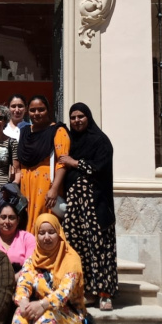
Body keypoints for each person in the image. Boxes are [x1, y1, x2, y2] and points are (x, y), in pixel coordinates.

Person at [4, 213, 85, 324]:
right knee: (20, 314)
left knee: (45, 317)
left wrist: (42, 305)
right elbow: (23, 281)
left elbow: (64, 292)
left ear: (59, 233)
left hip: (70, 319)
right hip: (40, 310)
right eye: (41, 233)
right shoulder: (34, 259)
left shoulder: (71, 260)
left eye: (51, 232)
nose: (46, 237)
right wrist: (24, 301)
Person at [60, 102, 119, 310]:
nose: (76, 121)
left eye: (80, 117)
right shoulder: (71, 142)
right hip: (75, 208)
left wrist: (74, 163)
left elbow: (99, 168)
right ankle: (86, 292)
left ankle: (105, 294)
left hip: (96, 206)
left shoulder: (100, 141)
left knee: (99, 247)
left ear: (89, 117)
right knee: (78, 248)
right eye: (73, 117)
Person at [17, 95, 70, 233]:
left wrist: (54, 189)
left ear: (48, 110)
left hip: (45, 189)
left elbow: (62, 163)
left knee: (44, 226)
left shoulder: (57, 131)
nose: (37, 113)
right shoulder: (24, 132)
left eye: (41, 109)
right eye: (33, 110)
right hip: (25, 189)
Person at [0, 201, 36, 274]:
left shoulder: (27, 238)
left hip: (21, 281)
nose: (7, 221)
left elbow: (30, 265)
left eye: (11, 218)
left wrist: (14, 278)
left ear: (18, 221)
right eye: (3, 217)